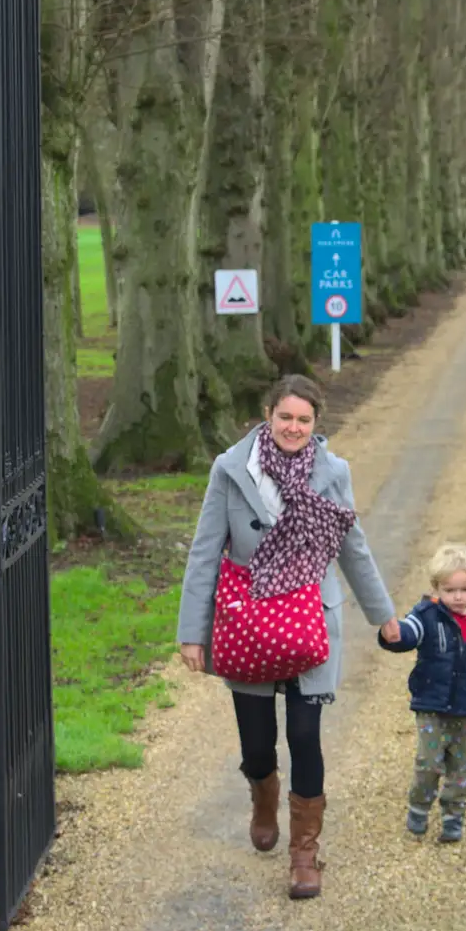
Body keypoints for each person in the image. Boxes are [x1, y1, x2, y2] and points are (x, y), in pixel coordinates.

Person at [178, 374, 400, 899]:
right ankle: (262, 793)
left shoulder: (332, 471)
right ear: (268, 414)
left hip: (309, 621)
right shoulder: (231, 469)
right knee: (258, 745)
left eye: (304, 420)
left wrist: (383, 615)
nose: (294, 428)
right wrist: (193, 632)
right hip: (247, 621)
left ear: (315, 423)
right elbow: (205, 550)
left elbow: (353, 547)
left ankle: (305, 853)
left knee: (304, 734)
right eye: (285, 418)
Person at [379, 543, 466, 844]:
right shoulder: (426, 615)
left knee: (463, 768)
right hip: (432, 707)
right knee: (429, 763)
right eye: (450, 590)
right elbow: (409, 634)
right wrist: (394, 635)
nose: (458, 596)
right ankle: (419, 809)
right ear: (436, 588)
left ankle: (454, 816)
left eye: (464, 588)